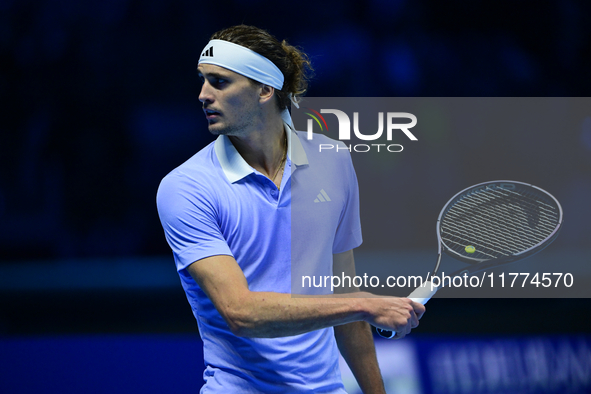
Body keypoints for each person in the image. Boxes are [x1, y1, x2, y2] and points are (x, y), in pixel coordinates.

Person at [156, 24, 425, 393]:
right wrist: (364, 305)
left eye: (219, 82)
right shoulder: (186, 188)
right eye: (203, 80)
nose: (202, 95)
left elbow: (343, 292)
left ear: (265, 90)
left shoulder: (333, 160)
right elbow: (241, 313)